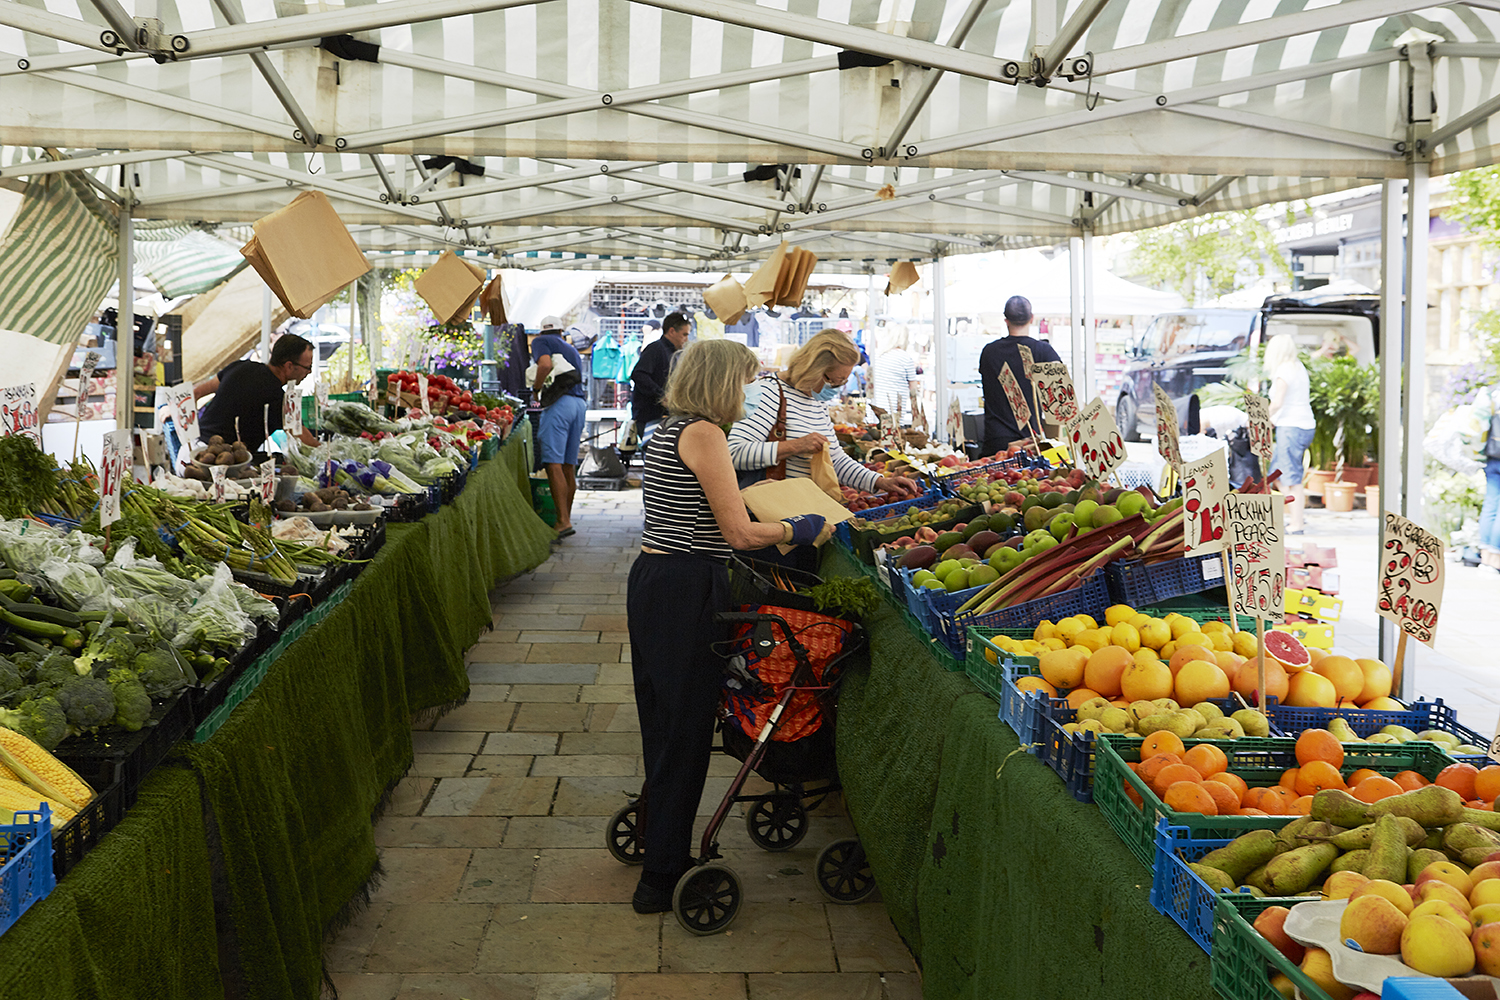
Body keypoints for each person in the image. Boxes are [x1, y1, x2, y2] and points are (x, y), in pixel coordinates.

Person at [628, 339, 833, 913]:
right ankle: (662, 875)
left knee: (662, 721)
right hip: (688, 586)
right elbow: (738, 533)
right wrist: (799, 527)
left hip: (653, 579)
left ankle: (655, 834)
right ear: (722, 382)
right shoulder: (705, 433)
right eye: (743, 381)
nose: (748, 392)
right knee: (687, 730)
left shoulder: (668, 429)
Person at [728, 330, 921, 500]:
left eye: (841, 383)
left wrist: (880, 481)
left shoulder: (815, 399)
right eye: (832, 381)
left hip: (807, 511)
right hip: (776, 512)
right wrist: (795, 446)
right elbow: (734, 453)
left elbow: (836, 460)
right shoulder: (769, 393)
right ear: (812, 367)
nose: (834, 388)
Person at [193, 333, 319, 455]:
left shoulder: (239, 366)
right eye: (308, 367)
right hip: (221, 459)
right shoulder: (278, 399)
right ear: (289, 366)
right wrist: (323, 449)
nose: (309, 372)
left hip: (194, 448)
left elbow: (197, 392)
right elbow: (304, 438)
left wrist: (189, 431)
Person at [978, 296, 1060, 457]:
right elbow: (1060, 393)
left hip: (997, 439)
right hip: (1031, 441)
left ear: (1006, 320)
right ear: (1032, 318)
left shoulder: (989, 352)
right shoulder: (1044, 351)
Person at [530, 316, 589, 539]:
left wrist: (536, 390)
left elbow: (545, 365)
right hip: (579, 405)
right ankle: (565, 519)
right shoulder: (570, 348)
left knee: (553, 464)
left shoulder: (540, 341)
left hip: (559, 405)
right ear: (561, 331)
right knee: (568, 466)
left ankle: (563, 521)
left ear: (541, 332)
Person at [1264, 333, 1316, 534]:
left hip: (1291, 427)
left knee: (1290, 477)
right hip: (1301, 425)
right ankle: (1296, 514)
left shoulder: (1284, 370)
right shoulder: (1297, 367)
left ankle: (1297, 523)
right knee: (1277, 475)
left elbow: (1278, 402)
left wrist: (1260, 418)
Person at [629, 311, 690, 452]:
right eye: (684, 334)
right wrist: (661, 396)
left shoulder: (673, 353)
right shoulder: (655, 349)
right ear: (672, 331)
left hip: (663, 415)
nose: (686, 339)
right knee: (655, 454)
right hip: (650, 415)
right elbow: (639, 375)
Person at [1472, 383, 1500, 569]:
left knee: (1490, 504)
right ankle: (1496, 558)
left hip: (1491, 455)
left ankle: (1485, 558)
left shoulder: (1493, 392)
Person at [871, 328, 919, 426]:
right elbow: (913, 386)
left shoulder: (878, 355)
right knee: (892, 432)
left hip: (875, 404)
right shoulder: (905, 357)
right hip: (894, 406)